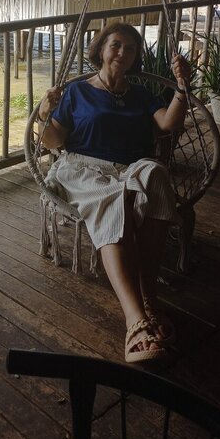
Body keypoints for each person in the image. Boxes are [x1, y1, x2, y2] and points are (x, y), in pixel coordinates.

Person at [38, 22, 191, 364]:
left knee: (156, 175)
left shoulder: (141, 94)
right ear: (101, 50)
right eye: (116, 45)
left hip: (130, 167)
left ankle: (149, 299)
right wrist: (45, 114)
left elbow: (168, 123)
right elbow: (54, 141)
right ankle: (136, 321)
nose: (123, 53)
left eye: (131, 48)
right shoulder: (76, 92)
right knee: (115, 198)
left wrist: (182, 87)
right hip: (83, 169)